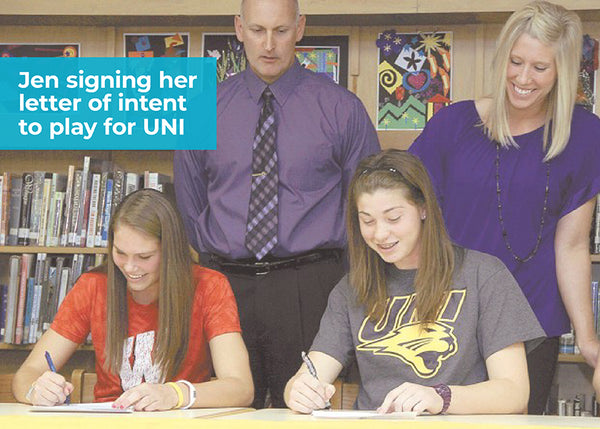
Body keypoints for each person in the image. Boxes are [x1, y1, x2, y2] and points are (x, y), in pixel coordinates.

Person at [174, 0, 379, 408]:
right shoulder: (203, 109)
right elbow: (190, 206)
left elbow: (368, 205)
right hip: (224, 287)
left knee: (307, 410)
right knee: (222, 411)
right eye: (257, 30)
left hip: (312, 286)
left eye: (281, 31)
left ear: (300, 28)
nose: (269, 44)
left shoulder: (342, 109)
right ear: (238, 28)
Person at [409, 0, 600, 414]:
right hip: (447, 322)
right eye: (516, 62)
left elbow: (571, 245)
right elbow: (409, 221)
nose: (523, 78)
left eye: (540, 68)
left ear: (563, 71)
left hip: (532, 326)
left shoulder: (584, 136)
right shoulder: (452, 125)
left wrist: (589, 341)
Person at [284, 150, 545, 414]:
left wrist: (439, 397)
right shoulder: (350, 289)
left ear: (423, 208)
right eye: (367, 221)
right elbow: (310, 375)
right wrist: (299, 390)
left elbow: (514, 392)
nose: (380, 234)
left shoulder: (484, 275)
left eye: (394, 218)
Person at [12, 189, 253, 410]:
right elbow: (27, 373)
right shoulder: (93, 286)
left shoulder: (209, 286)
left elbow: (241, 388)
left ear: (170, 252)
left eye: (144, 256)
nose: (129, 267)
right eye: (120, 253)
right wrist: (37, 390)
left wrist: (174, 394)